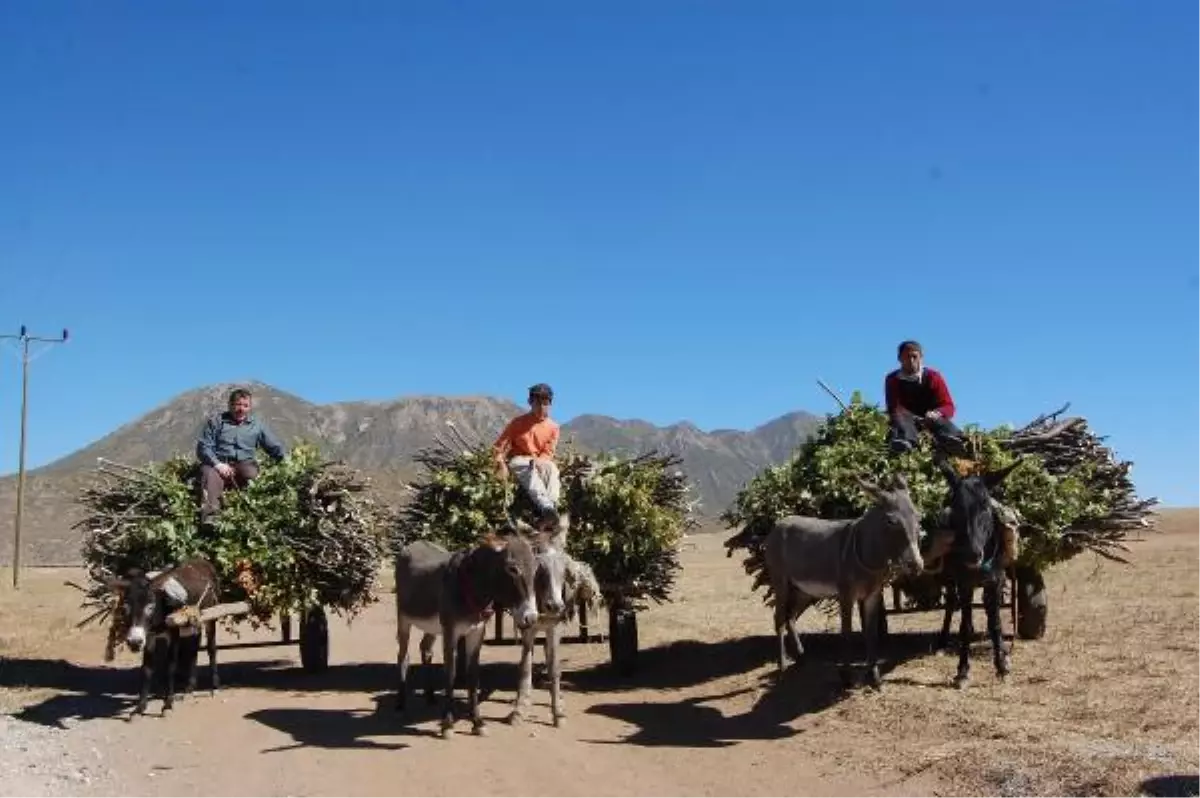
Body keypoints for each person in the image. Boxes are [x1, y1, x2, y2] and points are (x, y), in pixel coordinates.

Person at [195, 387, 288, 525]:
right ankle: (211, 517)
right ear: (230, 405)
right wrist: (218, 464)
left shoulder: (257, 425)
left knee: (252, 473)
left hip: (245, 463)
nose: (241, 409)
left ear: (250, 407)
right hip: (219, 464)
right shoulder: (216, 422)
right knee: (208, 474)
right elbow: (203, 447)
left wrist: (286, 463)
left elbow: (274, 447)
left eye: (245, 406)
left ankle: (255, 513)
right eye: (238, 405)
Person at [493, 382, 561, 531]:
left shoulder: (553, 427)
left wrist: (539, 461)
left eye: (545, 402)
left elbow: (548, 452)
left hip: (540, 460)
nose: (542, 407)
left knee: (552, 468)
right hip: (519, 459)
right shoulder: (518, 423)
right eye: (538, 402)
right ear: (530, 402)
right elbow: (499, 446)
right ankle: (546, 506)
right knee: (525, 467)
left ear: (550, 403)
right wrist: (500, 462)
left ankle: (551, 507)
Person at [884, 340, 969, 457]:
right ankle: (905, 442)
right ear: (900, 359)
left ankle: (955, 441)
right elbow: (894, 406)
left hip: (932, 419)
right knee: (899, 417)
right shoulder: (892, 379)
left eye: (915, 357)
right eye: (907, 357)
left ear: (921, 358)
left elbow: (948, 405)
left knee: (940, 421)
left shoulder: (933, 377)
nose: (911, 361)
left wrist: (937, 413)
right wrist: (916, 419)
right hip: (906, 420)